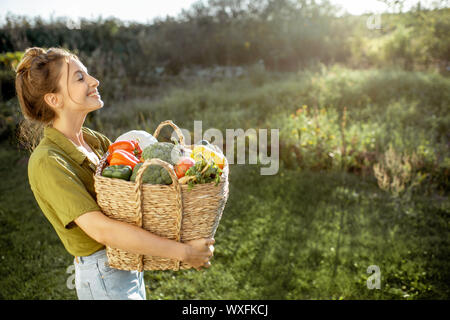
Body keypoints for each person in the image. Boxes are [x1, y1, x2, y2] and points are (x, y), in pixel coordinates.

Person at [15, 47, 215, 300]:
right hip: (103, 274)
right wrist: (183, 252)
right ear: (54, 99)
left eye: (87, 74)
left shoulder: (94, 141)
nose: (94, 81)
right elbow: (102, 230)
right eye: (79, 78)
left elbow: (134, 191)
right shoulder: (47, 161)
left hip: (126, 262)